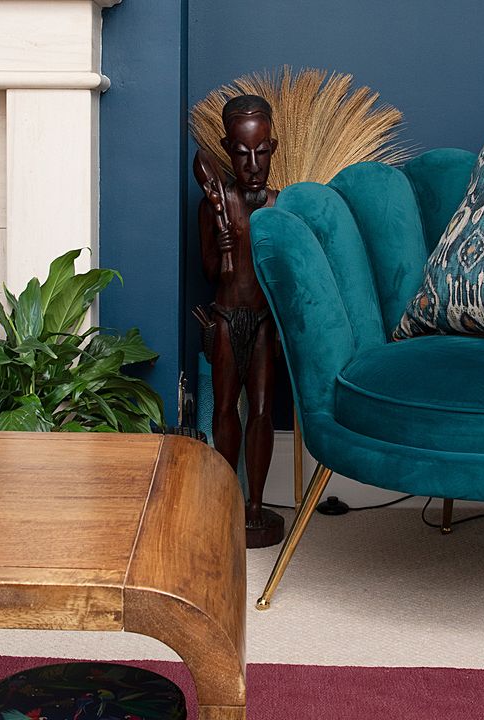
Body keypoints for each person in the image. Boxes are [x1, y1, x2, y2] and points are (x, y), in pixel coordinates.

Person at [196, 94, 283, 546]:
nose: (253, 163)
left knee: (264, 411)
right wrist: (224, 248)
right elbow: (211, 270)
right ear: (229, 149)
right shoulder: (216, 205)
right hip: (228, 318)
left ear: (274, 148)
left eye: (262, 151)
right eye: (243, 153)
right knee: (226, 408)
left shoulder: (279, 204)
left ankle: (255, 505)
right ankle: (229, 497)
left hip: (265, 322)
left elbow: (284, 271)